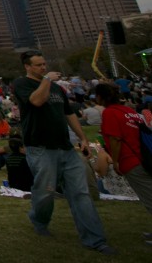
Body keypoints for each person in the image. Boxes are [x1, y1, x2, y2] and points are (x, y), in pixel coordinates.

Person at [12, 50, 115, 255]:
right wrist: (46, 81)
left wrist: (82, 137)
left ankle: (94, 239)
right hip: (40, 148)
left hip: (65, 148)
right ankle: (39, 219)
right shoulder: (21, 84)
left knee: (80, 193)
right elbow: (36, 101)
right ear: (28, 67)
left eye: (44, 64)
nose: (43, 68)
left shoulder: (57, 89)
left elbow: (68, 114)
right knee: (46, 192)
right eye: (39, 65)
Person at [96, 82, 152, 219]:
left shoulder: (110, 113)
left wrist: (115, 161)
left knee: (148, 197)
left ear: (100, 97)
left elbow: (115, 139)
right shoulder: (129, 111)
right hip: (145, 157)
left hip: (131, 160)